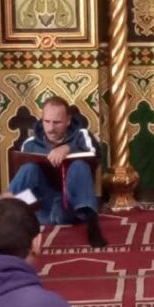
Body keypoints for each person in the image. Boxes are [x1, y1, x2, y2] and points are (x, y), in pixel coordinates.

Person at [7, 95, 106, 248]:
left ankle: (93, 225)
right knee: (28, 168)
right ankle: (3, 216)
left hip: (69, 206)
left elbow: (96, 155)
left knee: (79, 166)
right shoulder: (30, 143)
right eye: (47, 121)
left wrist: (68, 148)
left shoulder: (81, 136)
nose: (51, 128)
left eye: (57, 122)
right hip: (42, 207)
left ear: (68, 120)